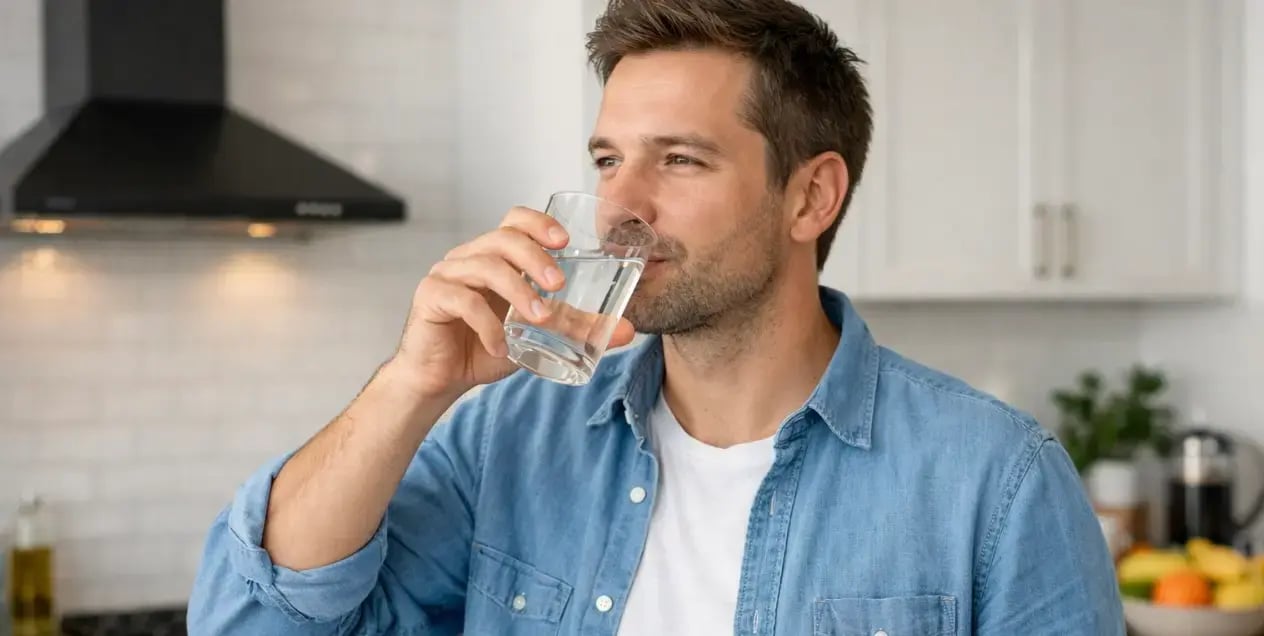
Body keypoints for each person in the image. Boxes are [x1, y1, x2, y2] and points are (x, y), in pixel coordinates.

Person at [188, 0, 1124, 633]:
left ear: (811, 197)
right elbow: (254, 620)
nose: (619, 205)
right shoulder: (502, 442)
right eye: (606, 160)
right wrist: (410, 385)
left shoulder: (995, 482)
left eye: (678, 160)